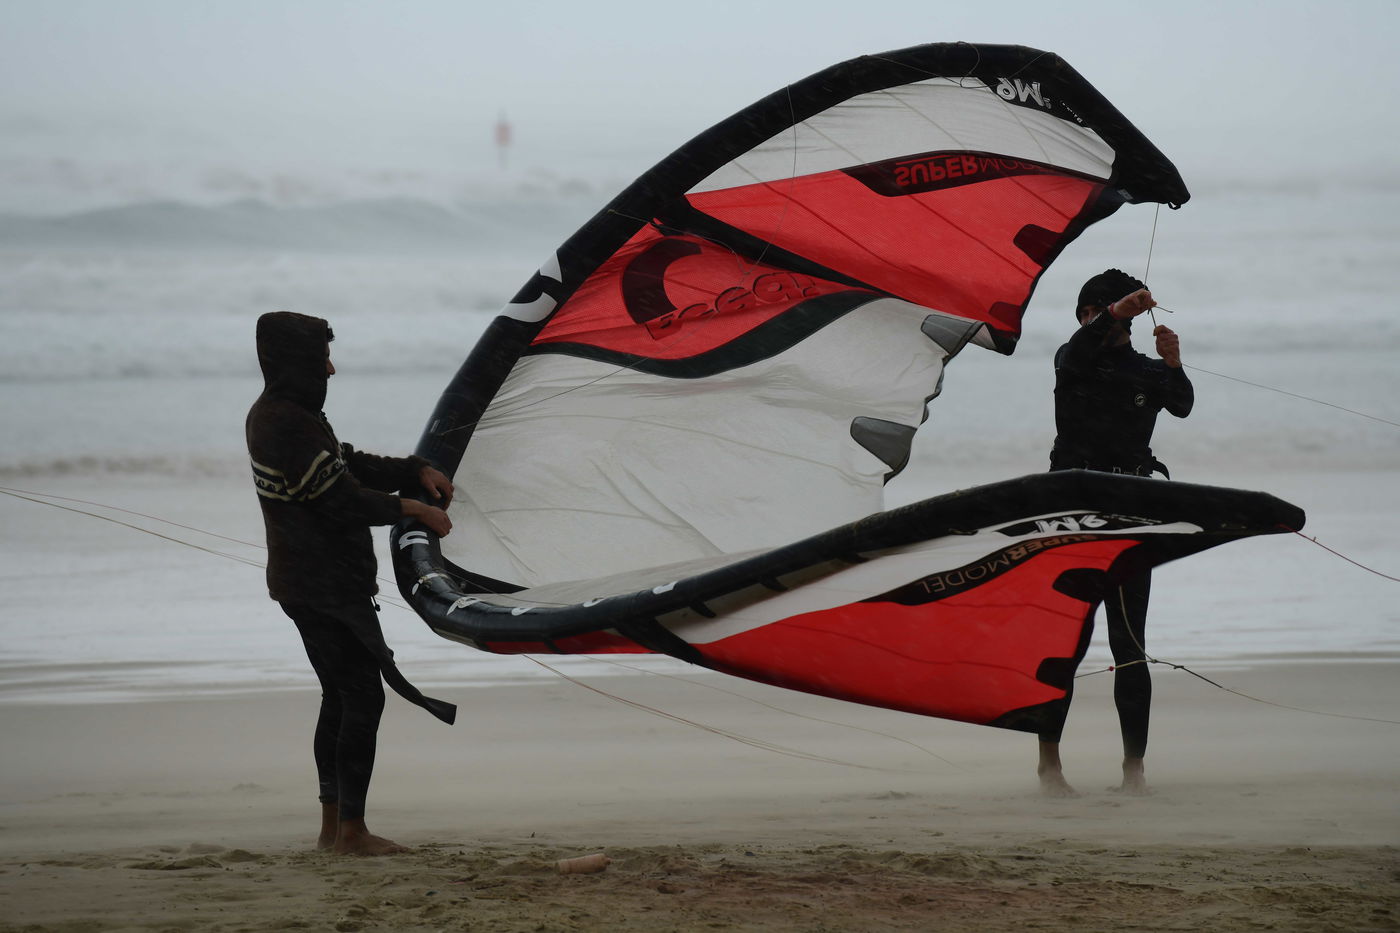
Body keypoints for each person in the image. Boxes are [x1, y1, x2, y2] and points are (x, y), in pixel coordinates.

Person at [246, 311, 457, 855]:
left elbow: (347, 465)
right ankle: (352, 833)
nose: (331, 369)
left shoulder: (293, 415)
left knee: (342, 697)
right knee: (361, 696)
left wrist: (413, 469)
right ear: (297, 362)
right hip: (321, 587)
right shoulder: (283, 422)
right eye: (323, 358)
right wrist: (414, 508)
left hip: (311, 583)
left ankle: (335, 829)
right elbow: (339, 500)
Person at [1038, 269, 1194, 797]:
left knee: (1130, 644)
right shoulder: (1072, 358)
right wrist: (1114, 312)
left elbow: (1182, 403)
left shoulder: (1145, 369)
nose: (1089, 320)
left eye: (1097, 312)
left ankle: (1134, 772)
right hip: (1071, 518)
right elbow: (1079, 350)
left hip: (1130, 516)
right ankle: (1049, 768)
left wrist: (1173, 362)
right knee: (1062, 645)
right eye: (1086, 313)